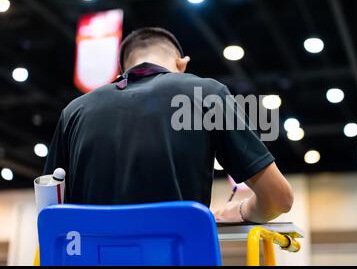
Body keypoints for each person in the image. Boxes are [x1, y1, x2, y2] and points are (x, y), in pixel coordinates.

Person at [44, 27, 293, 223]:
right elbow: (279, 199)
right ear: (181, 64)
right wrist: (239, 210)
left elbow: (48, 211)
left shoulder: (73, 112)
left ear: (122, 70)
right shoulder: (206, 93)